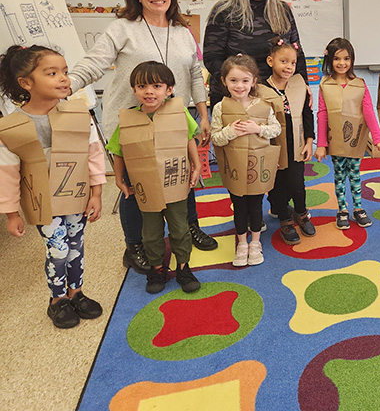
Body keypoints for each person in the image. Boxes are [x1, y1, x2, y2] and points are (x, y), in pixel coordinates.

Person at [69, 0, 216, 275]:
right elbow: (94, 63)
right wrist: (66, 83)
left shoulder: (182, 32)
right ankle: (134, 244)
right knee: (135, 186)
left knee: (182, 175)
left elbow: (194, 74)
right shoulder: (122, 28)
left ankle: (188, 228)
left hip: (173, 121)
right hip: (129, 124)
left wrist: (202, 114)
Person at [0, 45, 105, 329]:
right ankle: (57, 300)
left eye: (65, 72)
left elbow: (93, 153)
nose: (63, 79)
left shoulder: (77, 114)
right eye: (52, 73)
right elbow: (8, 172)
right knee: (57, 249)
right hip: (41, 199)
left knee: (76, 244)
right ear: (26, 83)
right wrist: (11, 213)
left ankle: (77, 293)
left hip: (75, 194)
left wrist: (96, 192)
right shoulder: (13, 126)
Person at [106, 62, 202, 294]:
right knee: (150, 233)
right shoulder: (128, 120)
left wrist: (196, 165)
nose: (149, 91)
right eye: (142, 86)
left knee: (180, 228)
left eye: (156, 85)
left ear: (168, 90)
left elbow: (189, 138)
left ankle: (183, 267)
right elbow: (118, 150)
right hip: (145, 187)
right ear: (133, 90)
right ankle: (157, 268)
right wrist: (119, 179)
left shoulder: (179, 113)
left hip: (175, 184)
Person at [203, 0, 308, 109]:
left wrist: (303, 85)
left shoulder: (283, 11)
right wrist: (239, 85)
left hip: (278, 97)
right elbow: (212, 58)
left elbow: (296, 52)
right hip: (236, 99)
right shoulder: (224, 12)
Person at [210, 54, 281, 267]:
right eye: (233, 80)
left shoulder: (263, 106)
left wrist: (258, 129)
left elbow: (276, 128)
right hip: (234, 167)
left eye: (244, 80)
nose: (239, 86)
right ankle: (242, 242)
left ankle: (256, 242)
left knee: (256, 204)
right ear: (224, 81)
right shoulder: (220, 108)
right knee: (239, 204)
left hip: (257, 166)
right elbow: (215, 137)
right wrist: (230, 131)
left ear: (253, 82)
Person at [314, 38, 380, 230]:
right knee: (339, 175)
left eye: (346, 58)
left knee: (354, 174)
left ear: (352, 59)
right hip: (335, 141)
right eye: (337, 58)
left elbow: (369, 112)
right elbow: (322, 114)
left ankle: (358, 208)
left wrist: (378, 138)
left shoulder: (359, 84)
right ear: (330, 60)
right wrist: (321, 144)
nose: (342, 63)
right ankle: (342, 209)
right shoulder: (325, 85)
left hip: (355, 140)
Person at [263, 37, 315, 245]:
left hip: (296, 144)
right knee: (276, 186)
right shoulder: (262, 89)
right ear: (270, 61)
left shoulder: (299, 85)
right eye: (283, 61)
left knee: (297, 184)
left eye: (292, 63)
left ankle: (301, 214)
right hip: (274, 147)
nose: (289, 67)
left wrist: (310, 141)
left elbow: (307, 114)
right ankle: (285, 219)